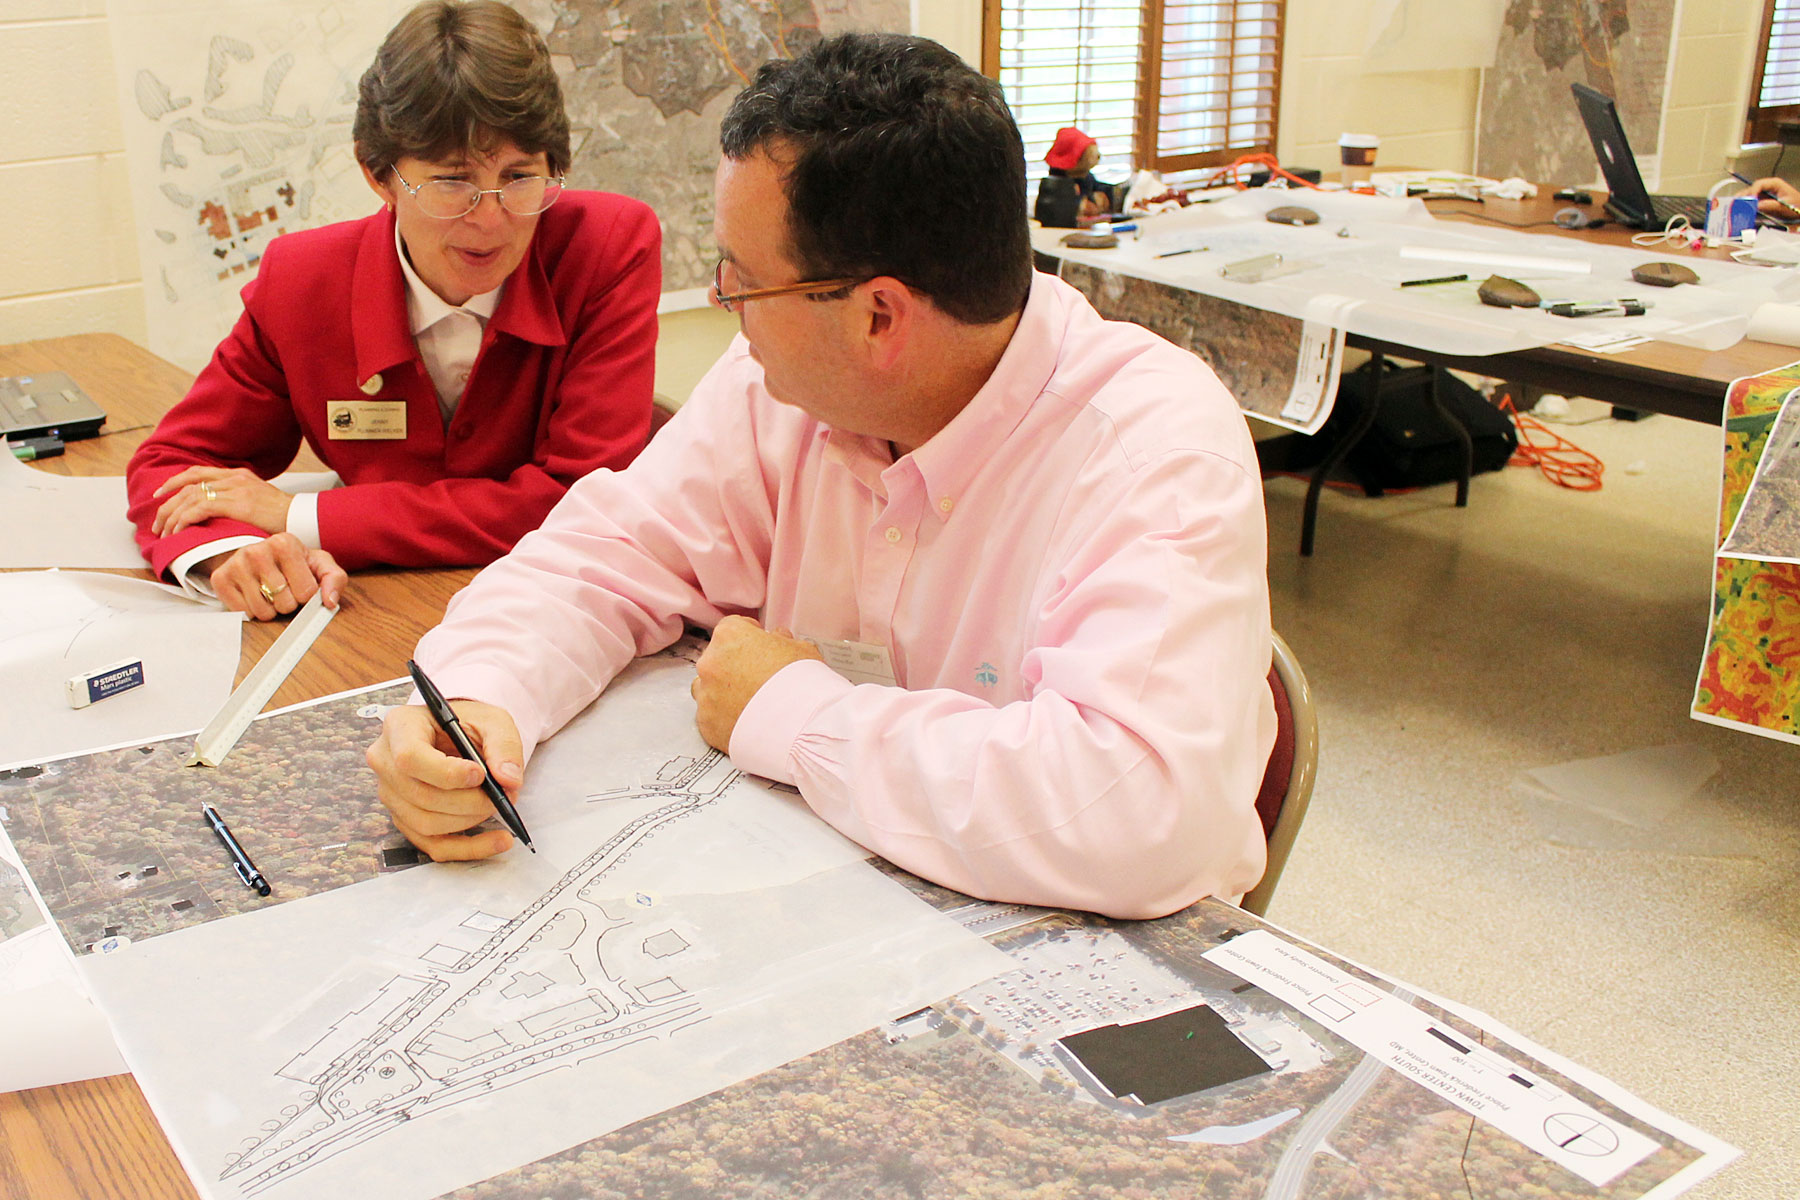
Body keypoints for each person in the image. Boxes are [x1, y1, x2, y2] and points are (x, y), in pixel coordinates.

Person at [367, 32, 1274, 921]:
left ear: (881, 316)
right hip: (845, 883)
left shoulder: (1155, 450)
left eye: (743, 281)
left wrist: (793, 713)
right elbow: (607, 553)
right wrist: (479, 699)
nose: (726, 305)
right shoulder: (787, 384)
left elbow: (1135, 813)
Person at [125, 0, 661, 621]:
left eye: (520, 177)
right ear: (378, 175)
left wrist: (299, 516)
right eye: (452, 180)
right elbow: (171, 468)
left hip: (559, 608)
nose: (491, 220)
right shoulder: (302, 282)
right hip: (370, 615)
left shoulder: (607, 246)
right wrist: (235, 553)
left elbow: (580, 503)